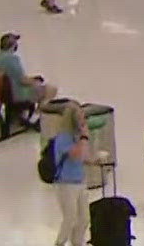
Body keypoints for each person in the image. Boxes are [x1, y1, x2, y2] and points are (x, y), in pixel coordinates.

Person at [48, 100, 93, 246]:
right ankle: (60, 242)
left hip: (80, 181)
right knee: (70, 217)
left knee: (84, 218)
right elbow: (75, 154)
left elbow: (82, 156)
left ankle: (77, 242)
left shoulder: (76, 136)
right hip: (65, 183)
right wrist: (85, 137)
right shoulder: (63, 138)